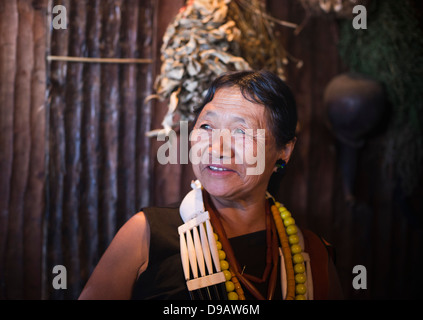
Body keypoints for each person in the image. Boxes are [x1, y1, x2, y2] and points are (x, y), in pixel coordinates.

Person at [78, 70, 343, 300]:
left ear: (284, 150)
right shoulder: (145, 235)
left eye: (242, 132)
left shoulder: (311, 253)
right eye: (207, 126)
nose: (217, 148)